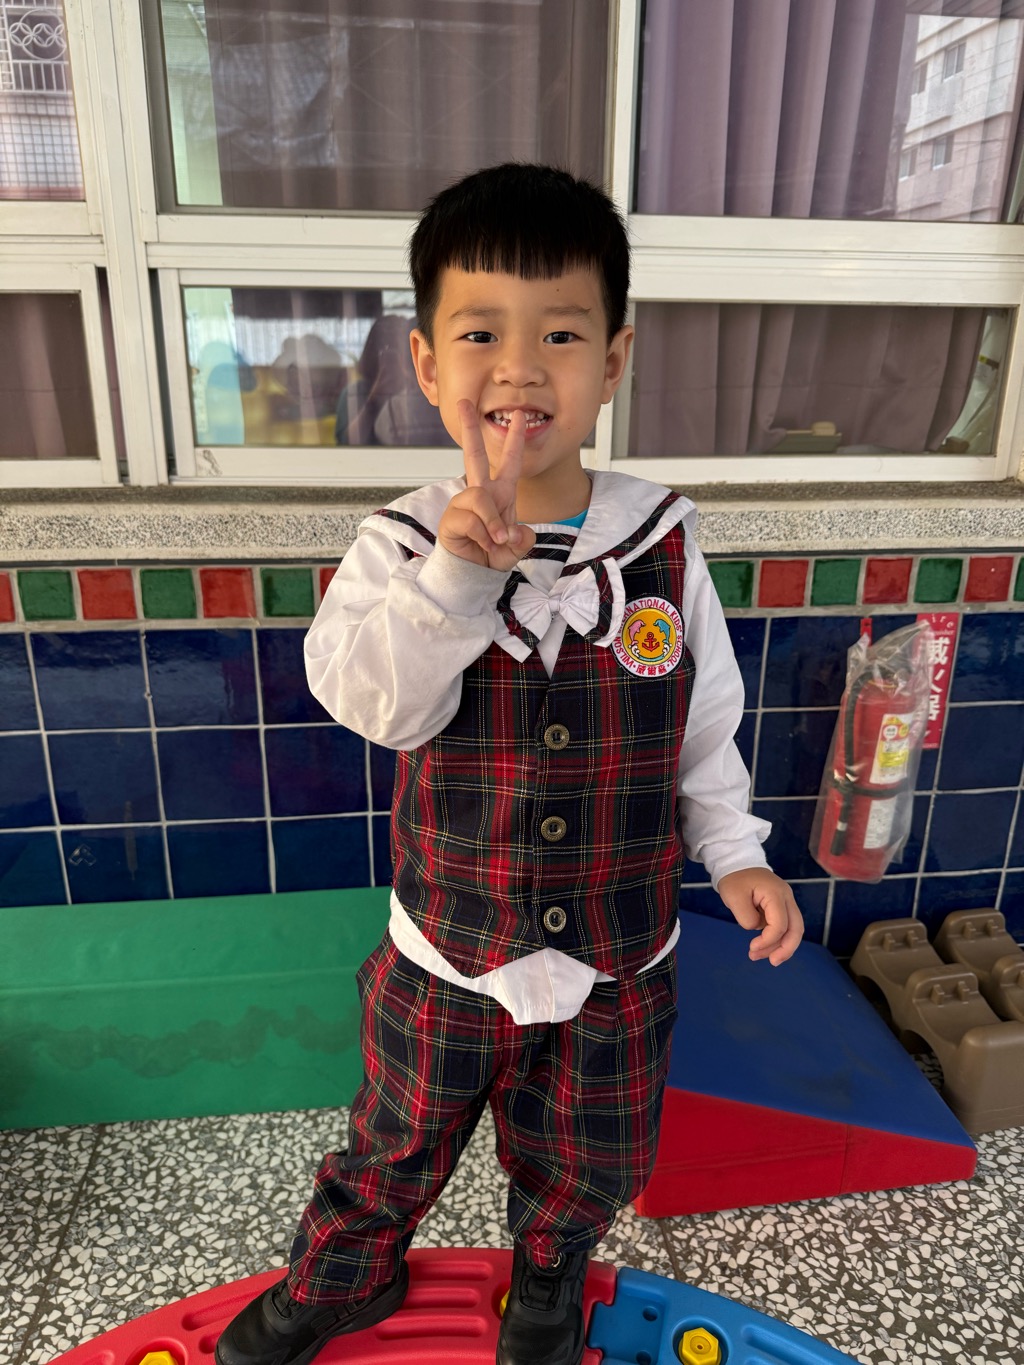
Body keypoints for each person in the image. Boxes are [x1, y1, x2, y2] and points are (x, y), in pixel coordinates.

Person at [215, 163, 804, 1365]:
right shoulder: (396, 543)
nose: (521, 368)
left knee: (589, 1152)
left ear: (614, 361)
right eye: (481, 333)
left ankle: (547, 1275)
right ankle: (344, 1275)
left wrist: (734, 850)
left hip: (618, 952)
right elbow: (376, 708)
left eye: (562, 335)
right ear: (427, 365)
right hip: (449, 948)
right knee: (393, 1139)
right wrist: (453, 578)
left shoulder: (659, 539)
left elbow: (703, 716)